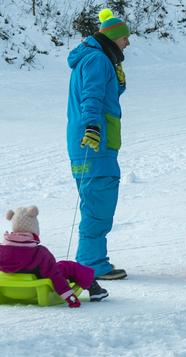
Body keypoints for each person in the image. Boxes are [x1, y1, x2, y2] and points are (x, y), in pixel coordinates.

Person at [66, 8, 130, 280]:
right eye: (125, 38)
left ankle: (91, 261)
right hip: (94, 143)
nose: (128, 43)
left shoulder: (98, 59)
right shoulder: (97, 60)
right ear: (114, 37)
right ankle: (91, 264)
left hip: (93, 143)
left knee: (96, 203)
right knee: (99, 204)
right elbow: (91, 97)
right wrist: (92, 127)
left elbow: (103, 94)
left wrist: (119, 81)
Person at [0, 206, 108, 308]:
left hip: (9, 291)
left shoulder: (0, 251)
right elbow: (55, 276)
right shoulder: (40, 253)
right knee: (66, 266)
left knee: (56, 267)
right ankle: (93, 288)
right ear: (34, 230)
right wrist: (69, 297)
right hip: (33, 291)